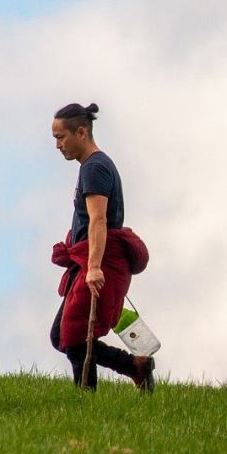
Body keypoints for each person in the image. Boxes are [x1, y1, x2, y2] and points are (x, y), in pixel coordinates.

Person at [49, 102, 156, 392]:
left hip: (101, 261)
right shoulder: (92, 166)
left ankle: (85, 402)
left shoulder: (95, 168)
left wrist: (94, 268)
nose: (58, 145)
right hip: (93, 259)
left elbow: (98, 220)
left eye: (61, 137)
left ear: (81, 132)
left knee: (72, 338)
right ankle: (135, 366)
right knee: (63, 334)